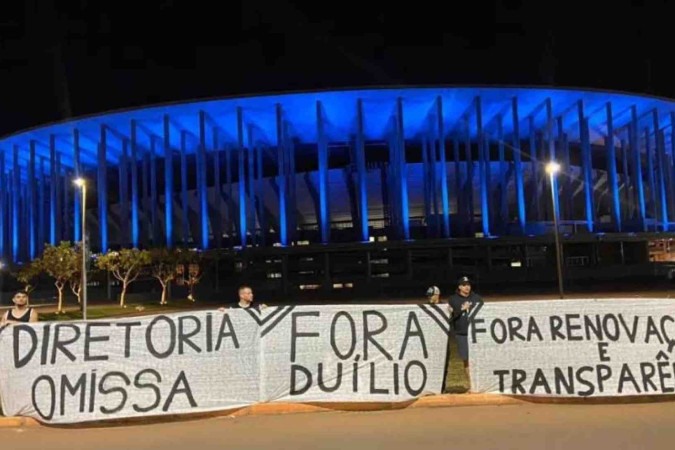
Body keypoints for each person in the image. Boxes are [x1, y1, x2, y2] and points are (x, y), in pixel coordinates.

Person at [448, 276, 483, 391]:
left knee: (479, 359)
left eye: (468, 284)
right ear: (459, 287)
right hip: (462, 333)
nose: (467, 287)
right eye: (464, 285)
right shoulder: (453, 299)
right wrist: (462, 309)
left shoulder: (476, 298)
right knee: (466, 360)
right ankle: (471, 385)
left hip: (476, 334)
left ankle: (480, 384)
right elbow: (451, 316)